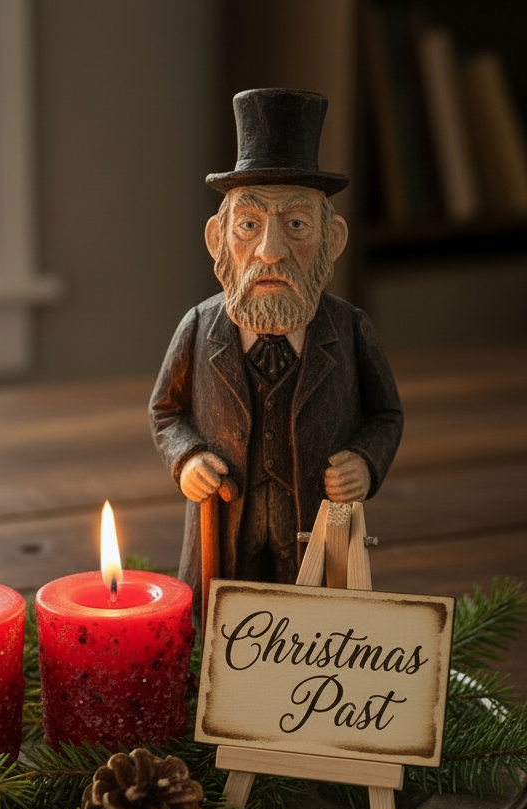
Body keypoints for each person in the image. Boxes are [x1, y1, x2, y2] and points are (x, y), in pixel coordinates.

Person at [149, 89, 403, 603]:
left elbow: (385, 415)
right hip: (225, 527)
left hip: (318, 531)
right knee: (224, 623)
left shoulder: (350, 330)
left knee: (314, 628)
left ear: (333, 239)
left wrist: (364, 461)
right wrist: (188, 458)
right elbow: (166, 412)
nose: (270, 251)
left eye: (295, 225)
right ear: (217, 241)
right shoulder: (199, 329)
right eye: (249, 226)